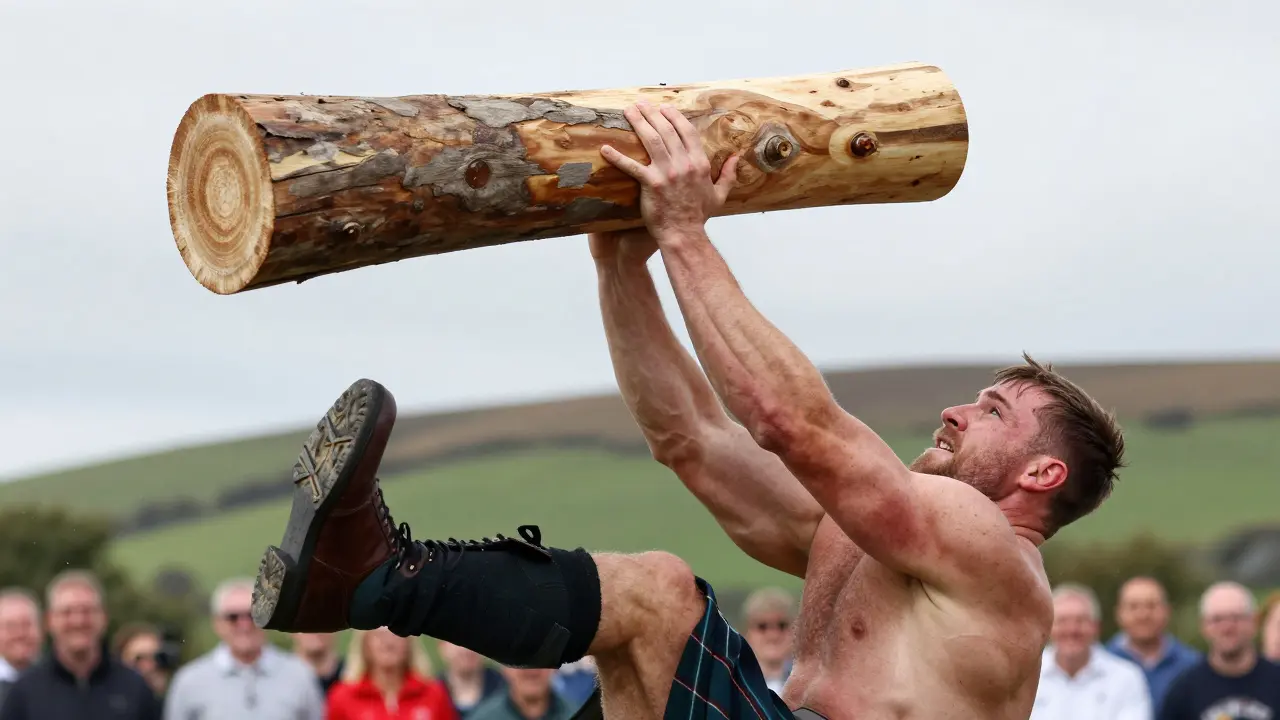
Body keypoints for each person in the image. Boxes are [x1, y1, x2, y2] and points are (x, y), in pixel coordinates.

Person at [246, 101, 1126, 720]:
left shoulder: (995, 561)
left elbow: (793, 424)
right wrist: (620, 263)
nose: (956, 410)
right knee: (642, 612)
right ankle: (365, 578)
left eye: (995, 411)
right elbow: (693, 440)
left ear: (1042, 473)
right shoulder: (862, 536)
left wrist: (686, 236)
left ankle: (370, 578)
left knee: (659, 599)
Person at [164, 578, 324, 720]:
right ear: (217, 623)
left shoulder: (300, 675)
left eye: (253, 615)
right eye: (233, 617)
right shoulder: (189, 681)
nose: (244, 624)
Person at [1158, 582, 1280, 720]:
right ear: (1203, 626)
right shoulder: (1183, 691)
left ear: (1253, 621)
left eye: (1236, 618)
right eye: (1217, 619)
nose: (1227, 627)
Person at [1029, 584, 1151, 720]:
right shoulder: (1027, 677)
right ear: (1049, 627)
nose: (1072, 630)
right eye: (1062, 621)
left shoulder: (1126, 678)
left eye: (1080, 621)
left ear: (1096, 627)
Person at [1105, 576, 1200, 713]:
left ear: (1167, 611)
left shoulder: (1192, 666)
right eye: (1133, 607)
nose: (1143, 615)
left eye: (1152, 606)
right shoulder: (1101, 664)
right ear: (1119, 613)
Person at [327, 626, 457, 720]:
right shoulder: (342, 698)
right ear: (365, 644)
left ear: (409, 643)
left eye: (396, 633)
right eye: (379, 635)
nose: (388, 643)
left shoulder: (434, 694)